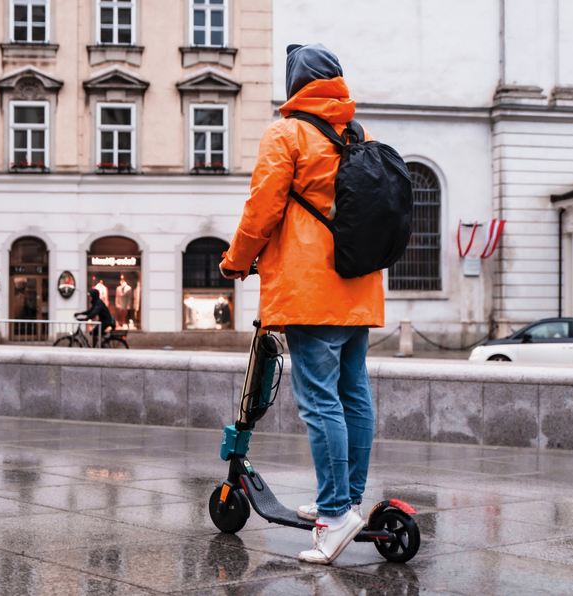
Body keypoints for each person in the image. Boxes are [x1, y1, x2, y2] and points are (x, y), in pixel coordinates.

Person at [220, 43, 383, 565]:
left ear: (296, 86)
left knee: (320, 402)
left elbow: (261, 208)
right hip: (358, 287)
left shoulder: (287, 133)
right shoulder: (360, 134)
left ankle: (335, 515)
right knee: (352, 393)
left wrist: (235, 260)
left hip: (310, 290)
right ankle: (348, 499)